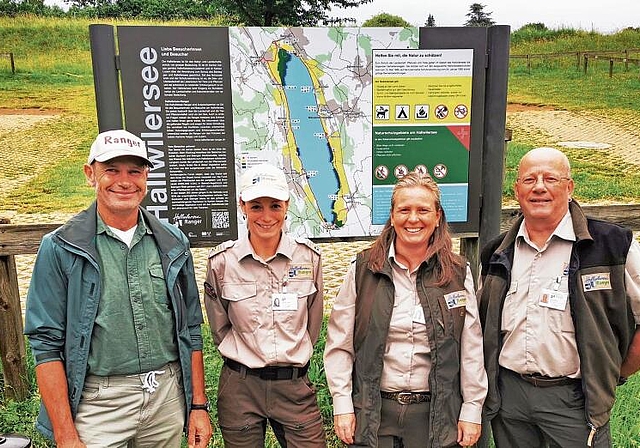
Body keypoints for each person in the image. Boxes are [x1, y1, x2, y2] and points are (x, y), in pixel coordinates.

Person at [24, 129, 212, 448]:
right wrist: (66, 434)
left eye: (134, 171)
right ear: (90, 174)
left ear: (146, 177)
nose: (124, 181)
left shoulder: (173, 243)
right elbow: (46, 345)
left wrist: (197, 406)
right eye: (111, 170)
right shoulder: (61, 247)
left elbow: (191, 329)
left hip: (165, 396)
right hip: (98, 403)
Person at [478, 147, 640, 447]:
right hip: (509, 399)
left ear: (569, 187)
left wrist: (616, 371)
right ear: (516, 190)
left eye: (550, 178)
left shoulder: (611, 245)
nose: (539, 186)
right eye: (529, 179)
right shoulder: (497, 252)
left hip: (575, 401)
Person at [324, 171, 487, 447]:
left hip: (434, 413)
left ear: (437, 217)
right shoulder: (364, 270)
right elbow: (340, 344)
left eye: (423, 210)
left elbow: (471, 346)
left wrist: (472, 408)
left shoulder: (459, 273)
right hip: (375, 411)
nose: (413, 219)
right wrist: (342, 404)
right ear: (392, 216)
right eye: (404, 210)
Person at [204, 163, 326, 447]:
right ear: (242, 206)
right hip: (241, 386)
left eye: (275, 205)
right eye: (256, 206)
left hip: (294, 386)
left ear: (287, 206)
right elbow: (219, 327)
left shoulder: (309, 258)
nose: (266, 216)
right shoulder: (221, 262)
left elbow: (313, 324)